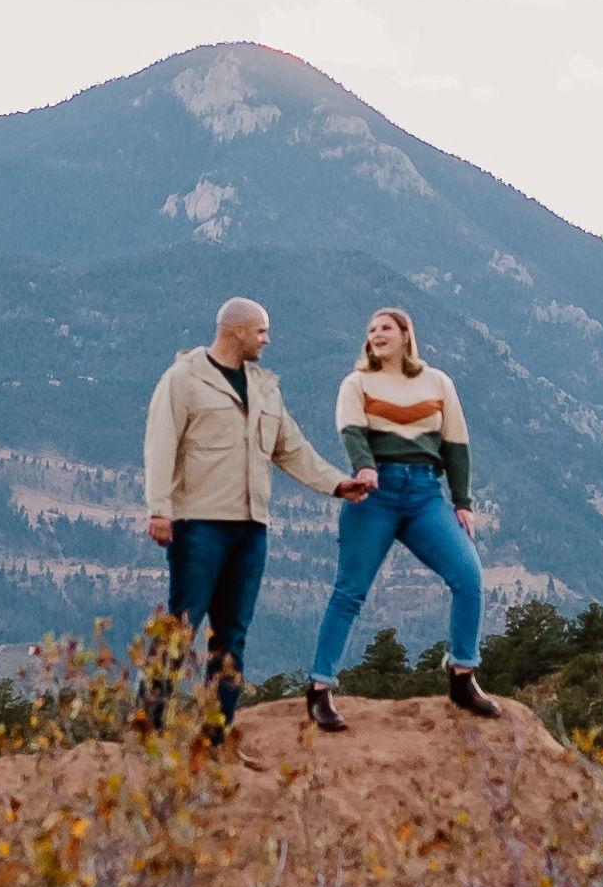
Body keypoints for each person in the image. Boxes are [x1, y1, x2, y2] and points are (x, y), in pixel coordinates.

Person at [142, 296, 368, 729]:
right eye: (262, 330)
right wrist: (159, 510)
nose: (267, 339)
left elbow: (291, 449)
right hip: (199, 524)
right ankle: (148, 722)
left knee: (233, 634)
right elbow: (160, 445)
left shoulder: (264, 387)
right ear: (237, 331)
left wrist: (338, 484)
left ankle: (217, 732)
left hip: (251, 528)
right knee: (182, 626)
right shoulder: (183, 379)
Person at [306, 306, 502, 729]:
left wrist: (462, 500)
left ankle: (462, 675)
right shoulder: (357, 383)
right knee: (350, 591)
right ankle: (320, 689)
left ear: (405, 335)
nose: (376, 334)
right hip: (375, 493)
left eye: (385, 328)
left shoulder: (438, 383)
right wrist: (365, 467)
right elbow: (352, 432)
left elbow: (456, 445)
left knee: (468, 576)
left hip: (425, 495)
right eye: (371, 328)